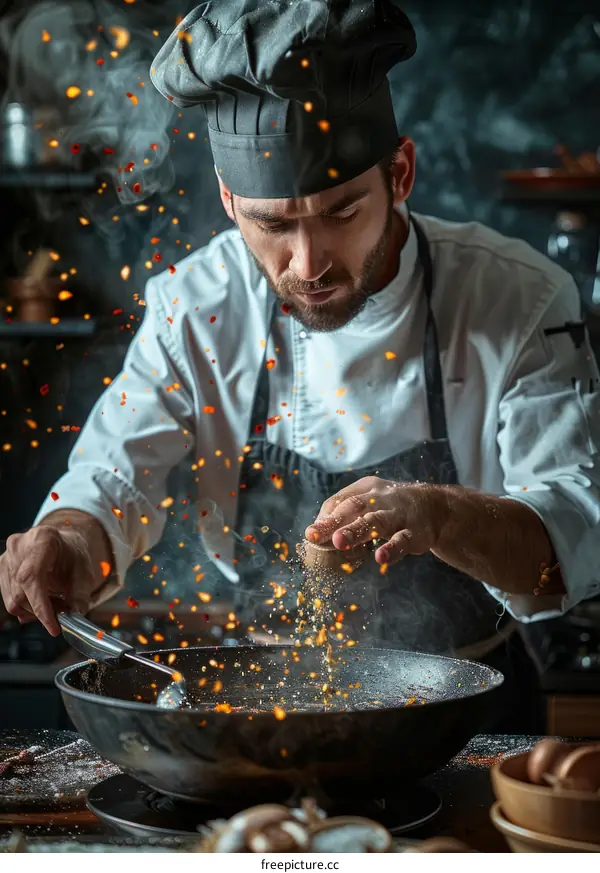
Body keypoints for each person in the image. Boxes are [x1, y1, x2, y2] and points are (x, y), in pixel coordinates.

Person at [1, 1, 599, 730]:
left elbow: (572, 536)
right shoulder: (195, 307)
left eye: (342, 213)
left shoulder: (520, 297)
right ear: (229, 201)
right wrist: (66, 539)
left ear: (400, 173)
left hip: (471, 716)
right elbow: (112, 479)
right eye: (273, 224)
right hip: (260, 711)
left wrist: (436, 513)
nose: (308, 263)